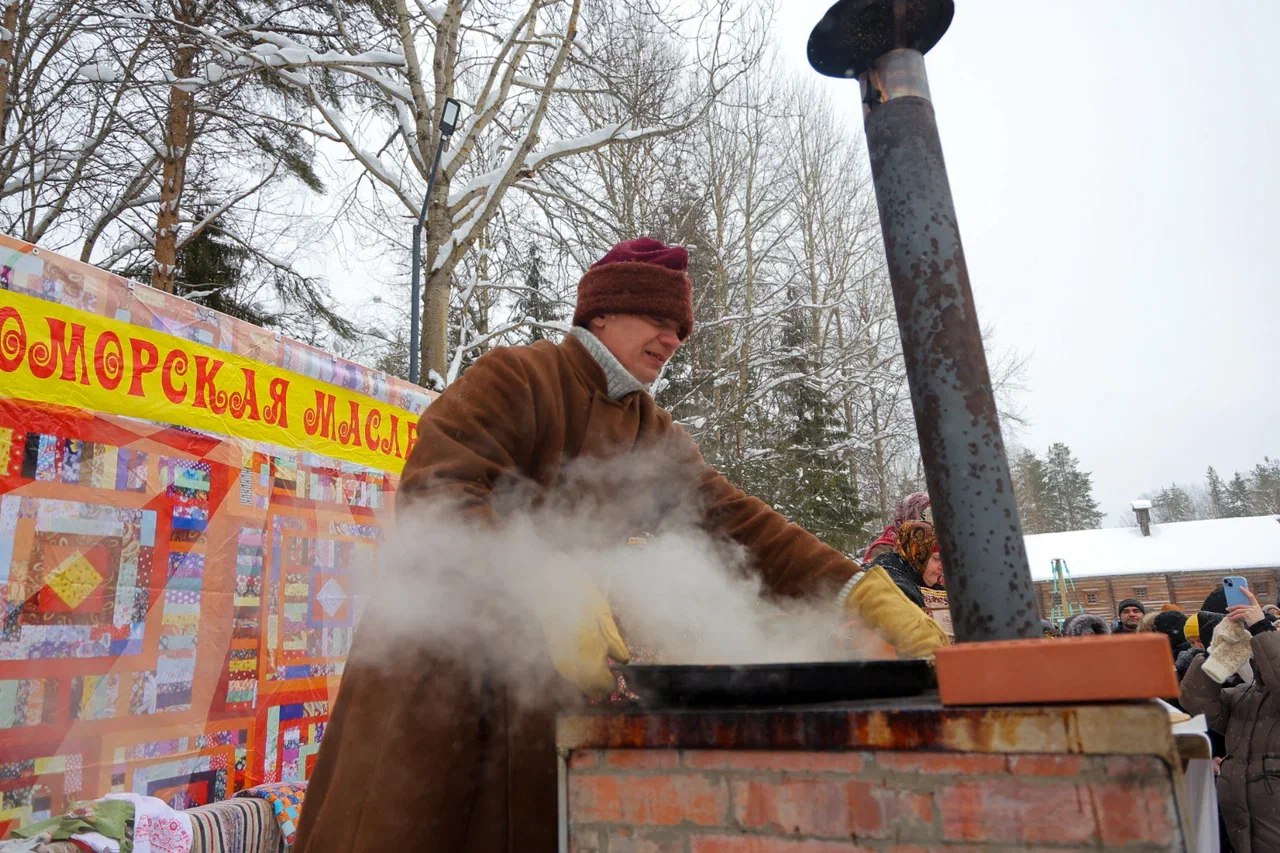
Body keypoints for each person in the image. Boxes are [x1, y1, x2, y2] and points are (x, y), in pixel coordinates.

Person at [293, 238, 948, 853]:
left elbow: (738, 524)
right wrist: (545, 580)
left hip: (540, 692)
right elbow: (437, 494)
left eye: (680, 328)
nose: (673, 338)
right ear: (601, 313)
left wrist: (855, 587)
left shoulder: (651, 432)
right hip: (434, 682)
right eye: (658, 319)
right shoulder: (517, 377)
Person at [1180, 585, 1280, 852]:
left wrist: (1261, 627)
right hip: (1242, 828)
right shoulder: (1245, 694)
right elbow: (1197, 701)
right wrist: (1217, 653)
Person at [862, 491, 931, 565]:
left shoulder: (931, 543)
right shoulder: (884, 549)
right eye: (925, 515)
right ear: (911, 516)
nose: (930, 523)